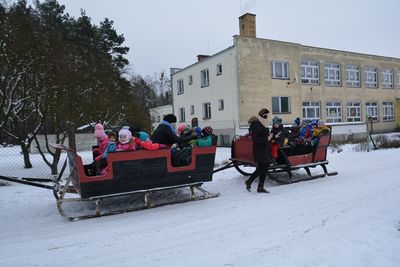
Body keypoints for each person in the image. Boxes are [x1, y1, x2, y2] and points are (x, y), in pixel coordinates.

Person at [244, 108, 273, 193]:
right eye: (268, 115)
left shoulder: (264, 123)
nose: (269, 117)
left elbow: (264, 135)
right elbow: (255, 138)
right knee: (263, 166)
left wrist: (270, 137)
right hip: (259, 149)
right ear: (264, 115)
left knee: (265, 166)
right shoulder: (256, 124)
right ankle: (249, 181)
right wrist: (267, 138)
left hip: (264, 148)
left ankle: (260, 187)